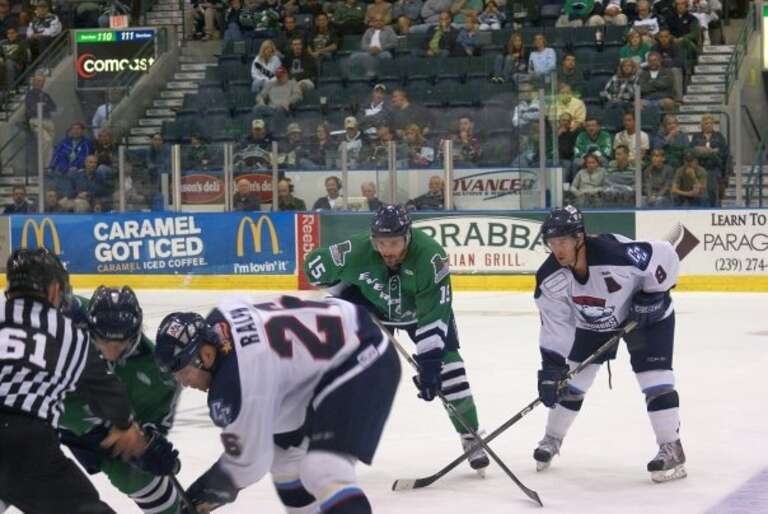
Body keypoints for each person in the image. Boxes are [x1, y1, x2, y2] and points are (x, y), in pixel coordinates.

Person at [154, 295, 400, 514]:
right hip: (319, 359)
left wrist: (201, 494)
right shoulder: (219, 318)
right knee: (285, 460)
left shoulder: (238, 381)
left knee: (325, 469)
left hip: (364, 355)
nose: (184, 383)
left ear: (206, 355)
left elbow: (248, 464)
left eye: (184, 373)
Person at [304, 205, 490, 473]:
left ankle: (471, 436)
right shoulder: (355, 251)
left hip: (422, 316)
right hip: (376, 313)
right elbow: (314, 267)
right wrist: (346, 293)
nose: (387, 250)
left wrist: (429, 364)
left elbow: (433, 315)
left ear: (408, 237)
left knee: (450, 371)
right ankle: (342, 446)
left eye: (394, 243)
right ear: (372, 239)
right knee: (354, 374)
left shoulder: (430, 257)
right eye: (381, 243)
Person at [532, 205, 686, 483]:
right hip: (592, 322)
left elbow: (665, 253)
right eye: (552, 243)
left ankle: (671, 447)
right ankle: (552, 439)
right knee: (572, 383)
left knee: (655, 382)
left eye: (563, 241)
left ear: (580, 237)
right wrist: (552, 366)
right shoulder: (550, 277)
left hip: (644, 319)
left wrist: (654, 296)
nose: (558, 249)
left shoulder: (616, 255)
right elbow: (556, 326)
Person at [0, 248, 149, 514]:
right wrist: (125, 423)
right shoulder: (67, 333)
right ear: (55, 290)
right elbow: (104, 389)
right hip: (28, 444)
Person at [58, 286, 182, 514]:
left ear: (136, 334)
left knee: (136, 476)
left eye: (120, 344)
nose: (110, 353)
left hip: (104, 432)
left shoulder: (159, 376)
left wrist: (150, 445)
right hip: (42, 413)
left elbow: (146, 429)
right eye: (103, 342)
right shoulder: (62, 320)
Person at [689, 114, 728, 207]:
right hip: (700, 168)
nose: (709, 125)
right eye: (706, 123)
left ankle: (714, 209)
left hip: (714, 168)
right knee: (701, 193)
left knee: (713, 192)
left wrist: (703, 151)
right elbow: (693, 151)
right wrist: (711, 151)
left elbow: (723, 151)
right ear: (702, 125)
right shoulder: (696, 136)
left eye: (711, 123)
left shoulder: (719, 136)